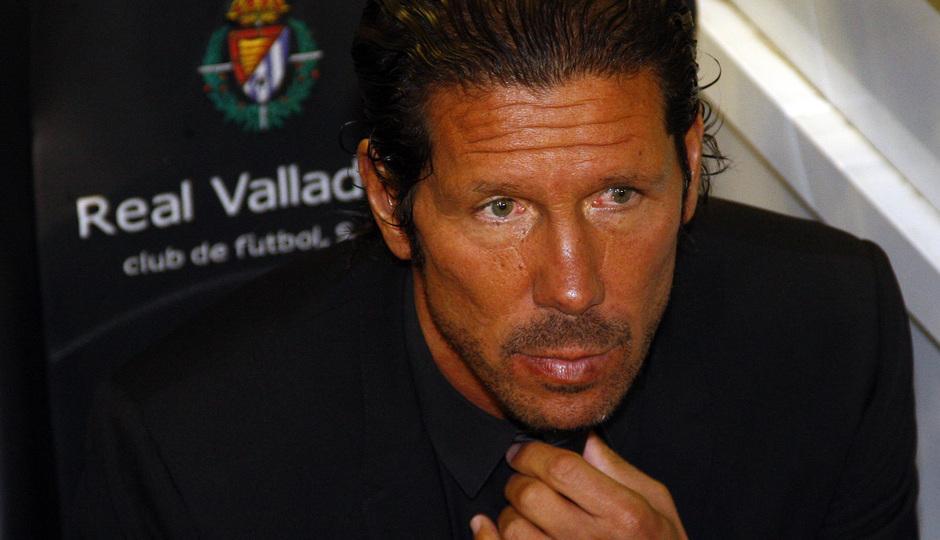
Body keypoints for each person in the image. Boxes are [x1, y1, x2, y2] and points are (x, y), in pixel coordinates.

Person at [75, 1, 918, 538]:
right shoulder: (196, 453)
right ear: (389, 199)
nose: (574, 287)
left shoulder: (831, 333)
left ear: (690, 162)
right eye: (501, 208)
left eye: (618, 196)